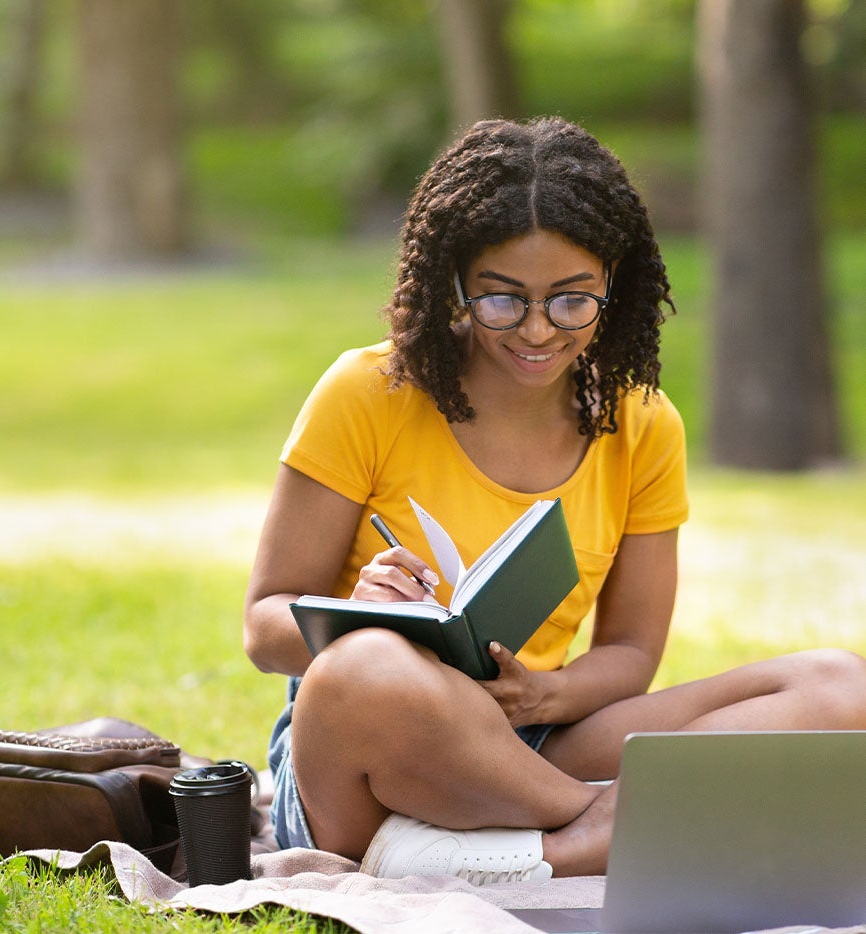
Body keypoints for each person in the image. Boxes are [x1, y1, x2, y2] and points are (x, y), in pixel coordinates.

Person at [243, 117, 866, 883]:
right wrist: (358, 617)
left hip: (528, 741)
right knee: (364, 666)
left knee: (837, 685)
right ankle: (606, 824)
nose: (537, 330)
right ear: (456, 283)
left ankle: (535, 850)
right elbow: (263, 623)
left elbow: (632, 654)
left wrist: (548, 693)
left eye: (572, 301)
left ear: (613, 284)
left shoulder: (640, 423)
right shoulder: (369, 392)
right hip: (372, 748)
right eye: (502, 300)